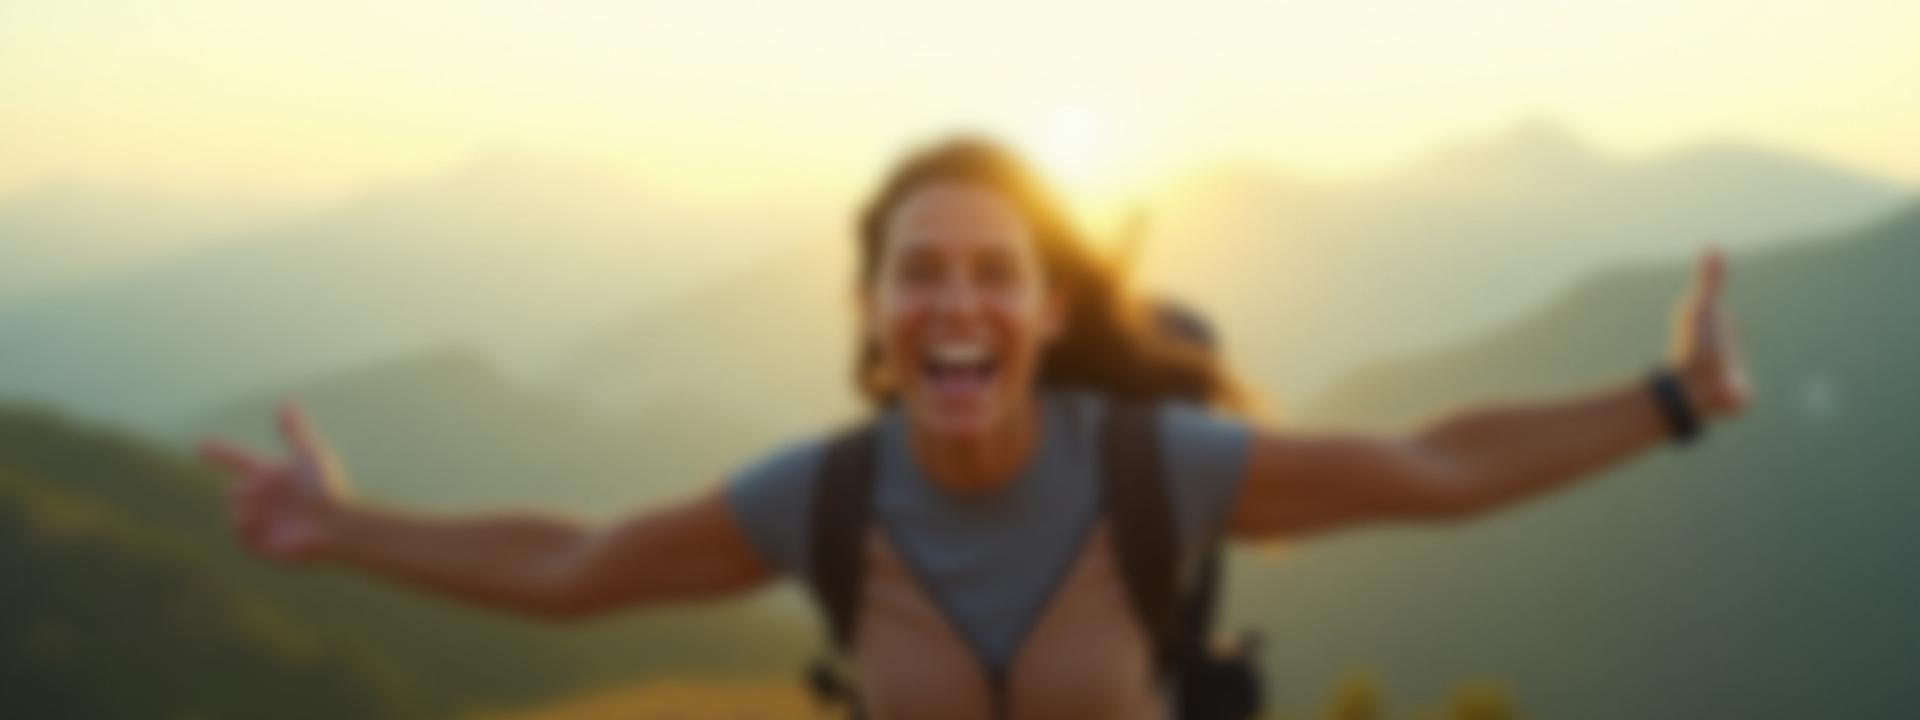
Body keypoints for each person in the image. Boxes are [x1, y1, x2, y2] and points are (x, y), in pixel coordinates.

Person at [199, 137, 1750, 720]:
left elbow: (1428, 469)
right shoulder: (818, 500)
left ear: (1045, 314)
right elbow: (581, 567)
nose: (957, 303)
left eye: (992, 274)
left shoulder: (1154, 468)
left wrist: (1672, 397)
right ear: (877, 319)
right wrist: (338, 525)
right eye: (919, 273)